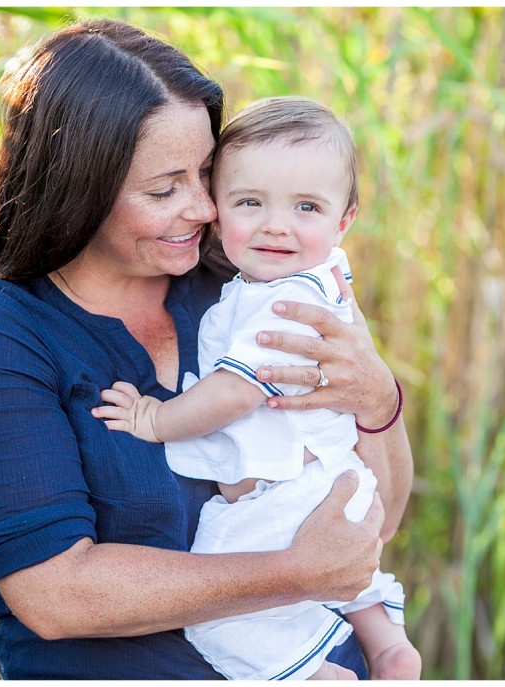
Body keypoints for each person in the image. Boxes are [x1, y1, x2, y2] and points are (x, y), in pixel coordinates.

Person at [0, 18, 414, 680]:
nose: (206, 208)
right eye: (164, 189)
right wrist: (292, 573)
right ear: (77, 190)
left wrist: (376, 396)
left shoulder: (248, 284)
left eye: (207, 173)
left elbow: (371, 525)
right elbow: (54, 594)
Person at [92, 96, 421, 680]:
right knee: (350, 574)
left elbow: (237, 391)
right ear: (216, 208)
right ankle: (389, 646)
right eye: (250, 202)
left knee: (223, 619)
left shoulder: (284, 302)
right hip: (326, 480)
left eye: (306, 207)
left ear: (344, 220)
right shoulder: (311, 282)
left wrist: (155, 420)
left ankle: (317, 676)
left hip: (283, 494)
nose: (276, 224)